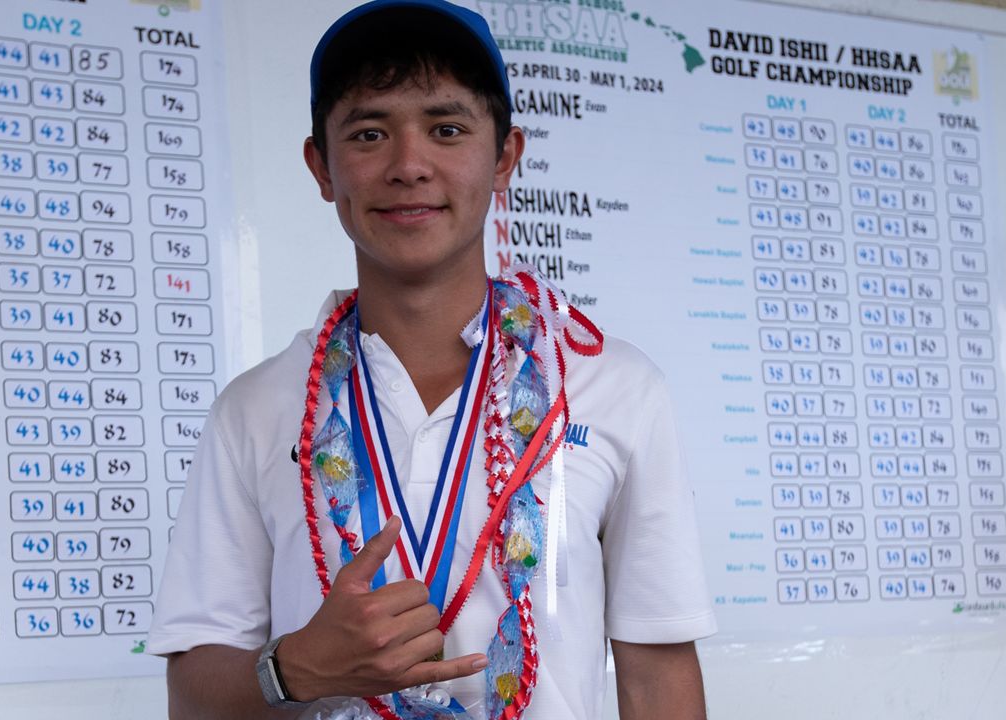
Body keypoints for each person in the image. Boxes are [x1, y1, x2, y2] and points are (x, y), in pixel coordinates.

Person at [147, 1, 717, 718]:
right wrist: (296, 668)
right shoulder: (255, 408)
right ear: (322, 167)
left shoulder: (613, 388)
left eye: (446, 130)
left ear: (506, 156)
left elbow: (657, 671)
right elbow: (193, 697)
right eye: (369, 133)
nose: (408, 165)